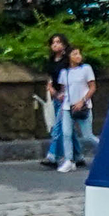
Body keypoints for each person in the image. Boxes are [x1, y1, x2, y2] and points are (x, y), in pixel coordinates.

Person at [52, 46, 98, 170]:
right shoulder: (64, 72)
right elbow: (63, 90)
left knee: (87, 136)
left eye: (79, 54)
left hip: (83, 106)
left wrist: (83, 101)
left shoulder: (86, 69)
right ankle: (69, 161)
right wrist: (58, 95)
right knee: (66, 134)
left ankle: (104, 150)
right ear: (69, 57)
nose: (78, 56)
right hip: (68, 106)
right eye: (75, 54)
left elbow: (92, 87)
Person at [40, 32, 70, 165]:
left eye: (58, 42)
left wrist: (63, 93)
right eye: (53, 42)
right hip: (55, 96)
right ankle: (79, 155)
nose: (55, 45)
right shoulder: (51, 61)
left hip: (66, 97)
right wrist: (50, 88)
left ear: (64, 44)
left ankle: (52, 156)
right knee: (67, 129)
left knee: (58, 127)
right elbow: (50, 77)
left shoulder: (67, 60)